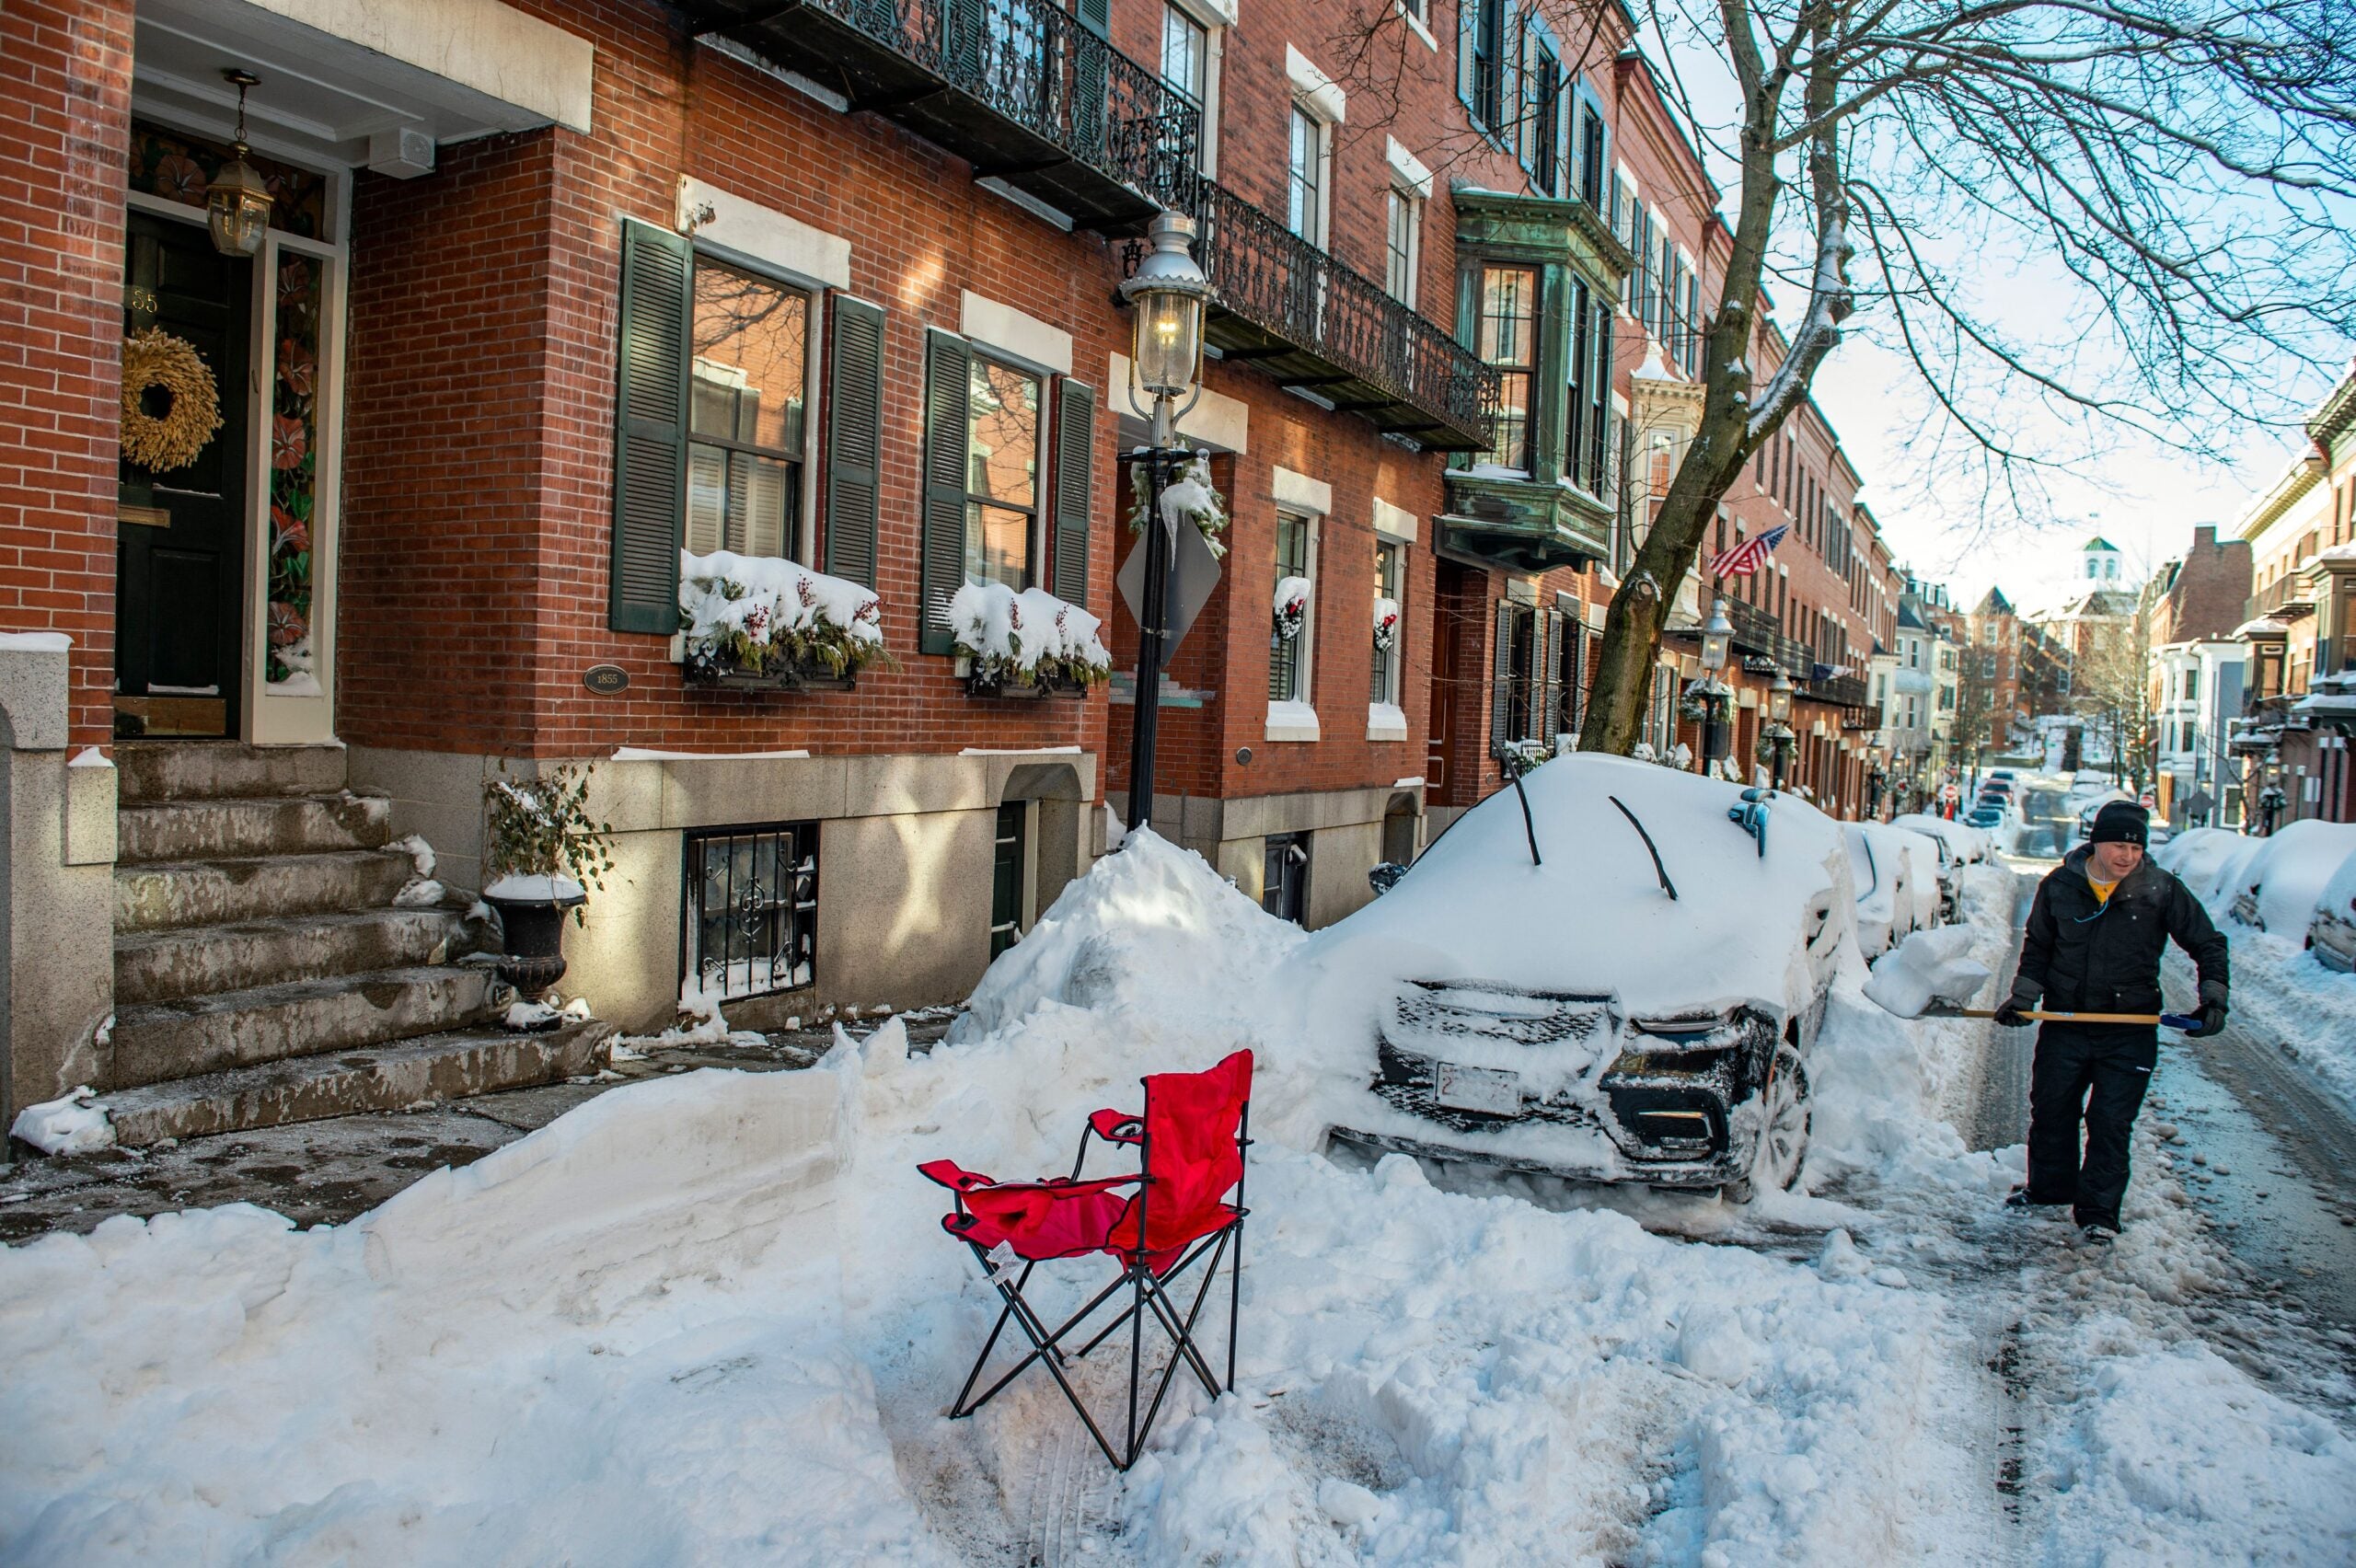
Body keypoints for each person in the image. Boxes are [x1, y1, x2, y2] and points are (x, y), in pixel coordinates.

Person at [1995, 801, 2229, 1242]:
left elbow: (2208, 942)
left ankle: (2099, 1213)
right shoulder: (2060, 885)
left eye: (2135, 848)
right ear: (2097, 843)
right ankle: (2048, 1190)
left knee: (2110, 1121)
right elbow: (2039, 947)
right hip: (2066, 1021)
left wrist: (2213, 996)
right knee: (2051, 1109)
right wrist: (2023, 999)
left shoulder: (2162, 890)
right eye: (2118, 845)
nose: (2127, 856)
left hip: (2130, 1027)